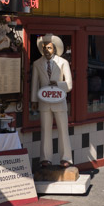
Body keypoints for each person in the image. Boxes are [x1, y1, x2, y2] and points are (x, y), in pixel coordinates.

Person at [31, 33, 73, 168]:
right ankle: (45, 158)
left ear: (54, 48)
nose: (46, 50)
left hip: (59, 102)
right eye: (44, 48)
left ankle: (66, 158)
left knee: (63, 130)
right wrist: (34, 100)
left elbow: (69, 85)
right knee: (45, 130)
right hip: (44, 102)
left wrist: (58, 84)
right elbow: (34, 83)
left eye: (49, 48)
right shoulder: (37, 63)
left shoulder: (63, 62)